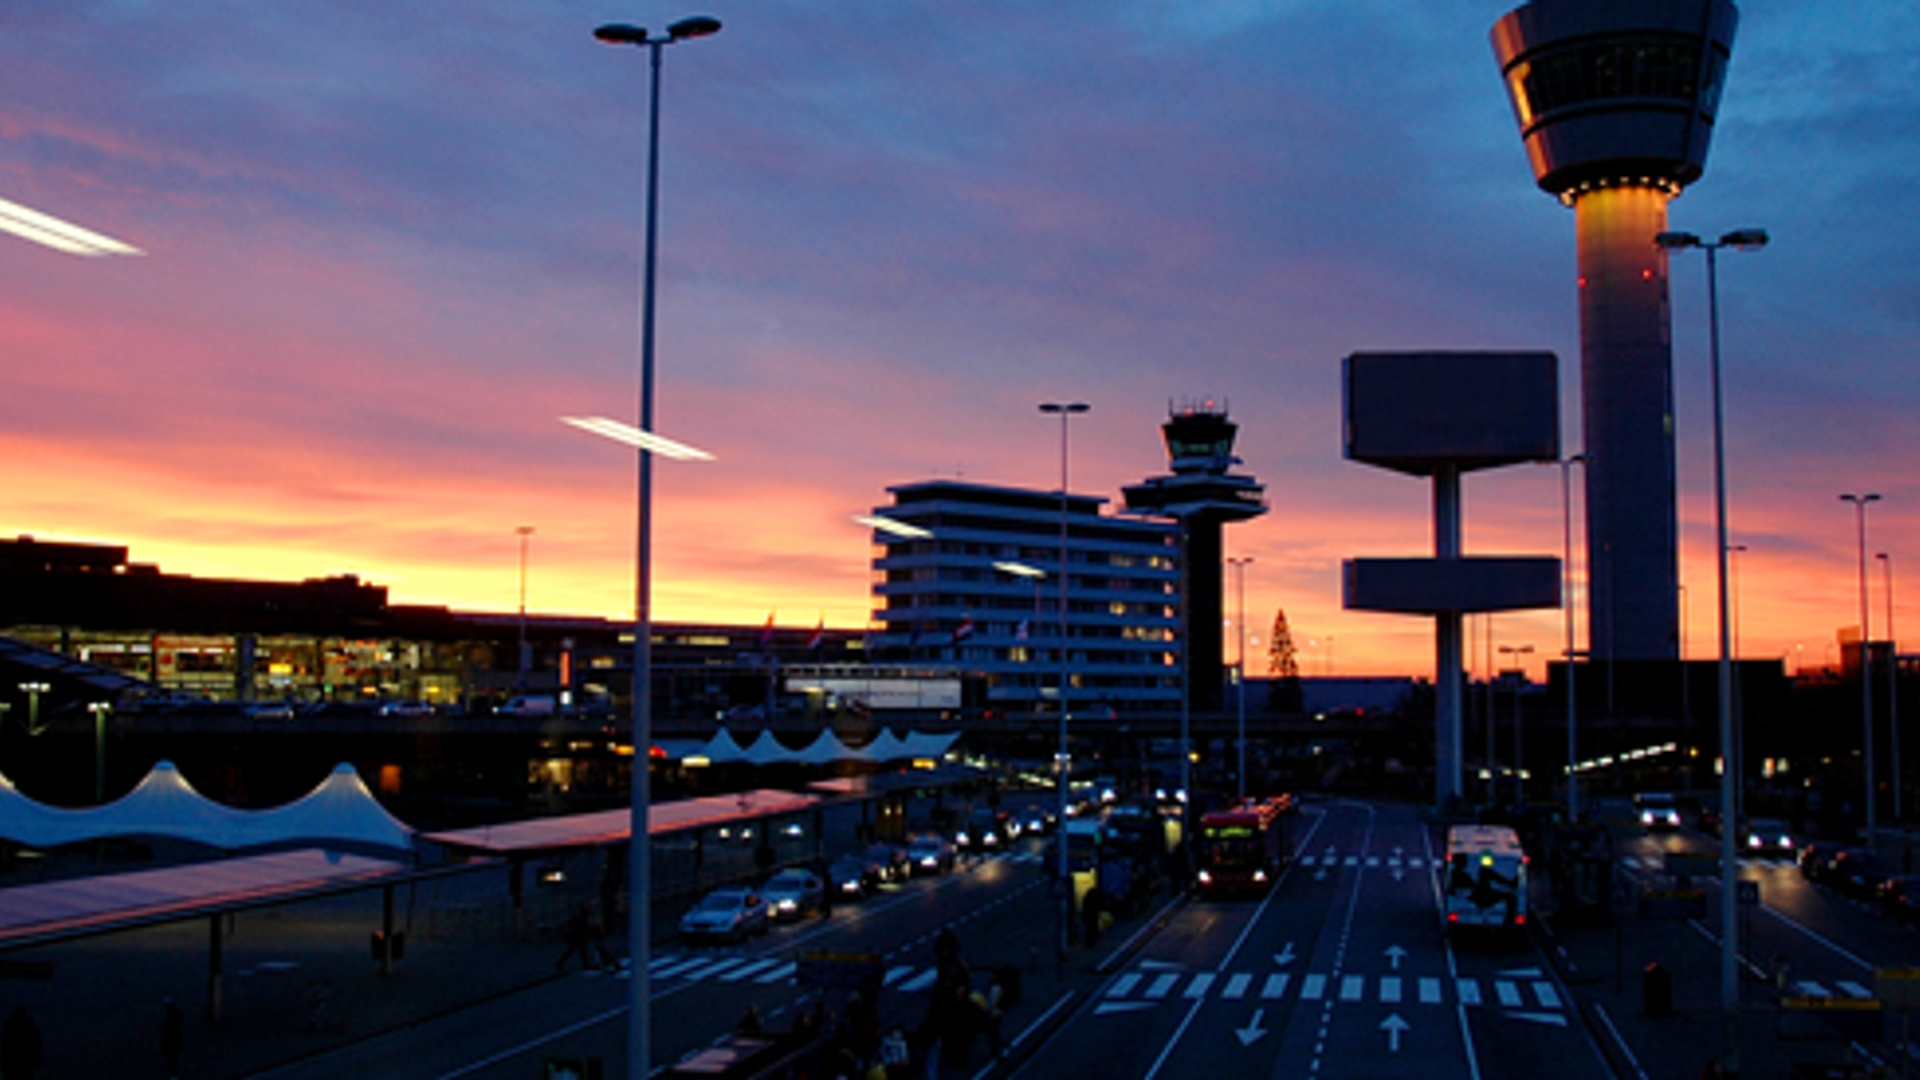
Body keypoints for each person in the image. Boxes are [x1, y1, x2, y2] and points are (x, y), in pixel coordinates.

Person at [2, 1004, 42, 1080]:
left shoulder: (11, 1023)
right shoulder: (26, 1023)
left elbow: (5, 1039)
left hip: (17, 1057)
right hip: (21, 1057)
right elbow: (36, 1039)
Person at [161, 996, 184, 1079]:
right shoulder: (177, 1017)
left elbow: (167, 1032)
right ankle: (173, 1073)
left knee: (172, 1059)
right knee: (173, 1058)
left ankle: (173, 1074)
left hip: (172, 1041)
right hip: (175, 1040)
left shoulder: (170, 1021)